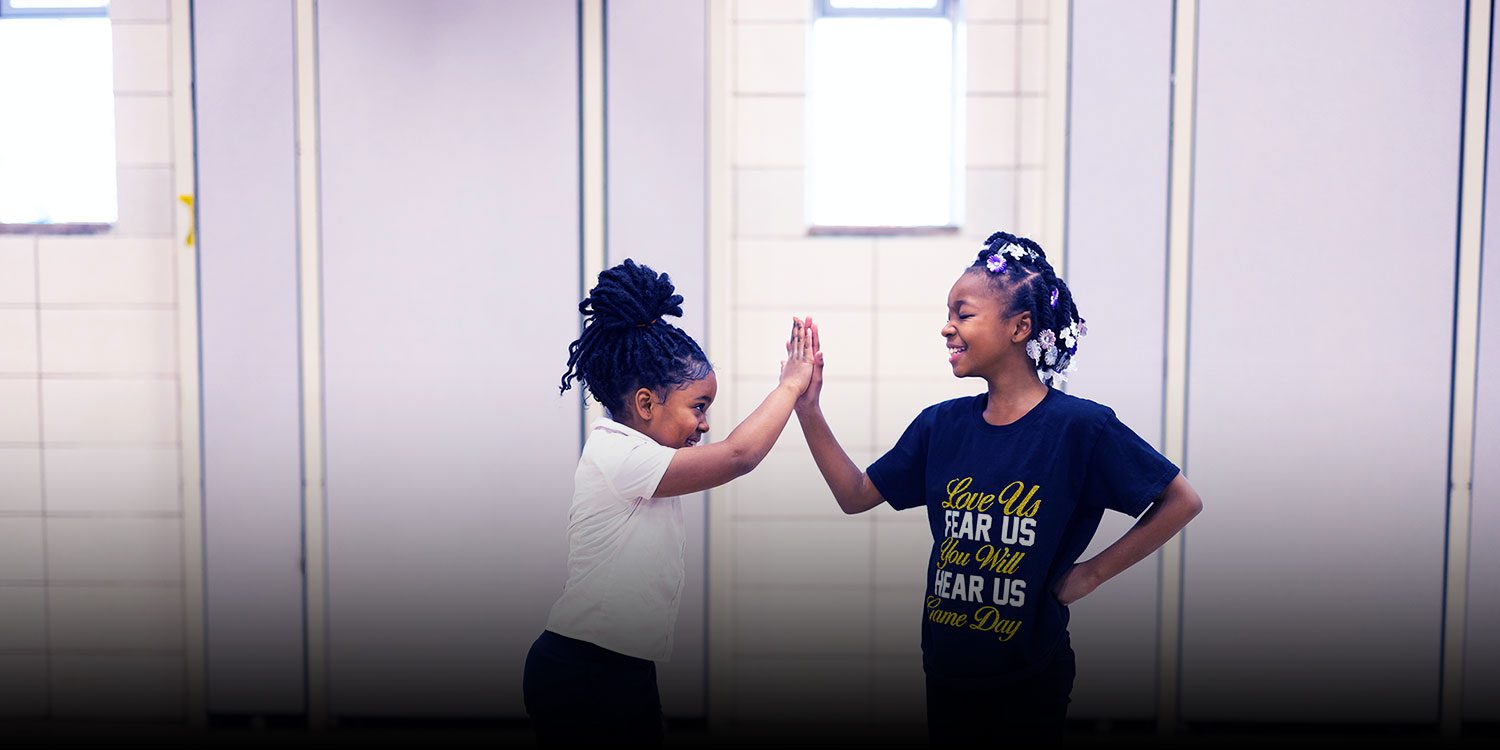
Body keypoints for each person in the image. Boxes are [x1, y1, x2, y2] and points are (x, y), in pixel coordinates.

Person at [791, 231, 1203, 744]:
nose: (946, 327)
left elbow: (1181, 500)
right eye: (948, 313)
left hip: (1029, 674)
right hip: (946, 670)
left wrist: (1092, 573)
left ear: (1019, 327)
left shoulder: (1080, 429)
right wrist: (807, 409)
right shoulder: (939, 426)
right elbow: (854, 495)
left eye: (962, 313)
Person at [523, 258, 816, 746]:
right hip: (582, 669)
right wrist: (790, 384)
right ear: (644, 404)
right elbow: (739, 456)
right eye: (698, 408)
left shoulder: (640, 457)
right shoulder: (617, 452)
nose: (704, 424)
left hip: (619, 666)